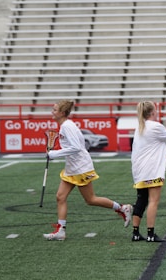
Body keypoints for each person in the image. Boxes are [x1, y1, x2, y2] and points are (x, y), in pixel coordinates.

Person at [43, 100, 132, 241]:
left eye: (54, 110)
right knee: (60, 197)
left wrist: (54, 154)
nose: (52, 112)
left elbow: (76, 147)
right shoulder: (65, 126)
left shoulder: (67, 126)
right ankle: (61, 231)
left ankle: (122, 208)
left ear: (62, 113)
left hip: (80, 168)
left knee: (90, 199)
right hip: (72, 168)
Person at [130, 101, 166, 242]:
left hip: (139, 170)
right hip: (151, 170)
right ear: (152, 112)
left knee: (141, 200)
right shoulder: (155, 126)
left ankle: (135, 233)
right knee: (153, 201)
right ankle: (151, 234)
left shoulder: (140, 126)